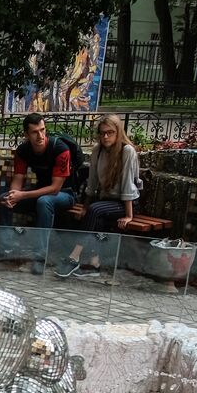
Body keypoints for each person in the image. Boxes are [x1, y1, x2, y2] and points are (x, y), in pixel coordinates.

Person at [0, 113, 80, 269]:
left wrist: (22, 195)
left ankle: (40, 257)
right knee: (4, 199)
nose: (40, 135)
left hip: (65, 194)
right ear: (26, 134)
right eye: (35, 132)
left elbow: (55, 188)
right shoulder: (23, 150)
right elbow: (18, 178)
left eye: (43, 130)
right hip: (41, 192)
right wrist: (13, 196)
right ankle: (5, 249)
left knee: (44, 202)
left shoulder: (60, 149)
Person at [56, 114, 141, 279]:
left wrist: (129, 216)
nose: (106, 136)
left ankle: (74, 257)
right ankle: (95, 265)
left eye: (110, 132)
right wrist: (85, 207)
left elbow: (128, 185)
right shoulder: (98, 150)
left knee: (95, 210)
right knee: (92, 215)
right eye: (102, 133)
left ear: (118, 133)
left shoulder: (126, 151)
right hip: (106, 201)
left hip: (127, 203)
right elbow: (92, 182)